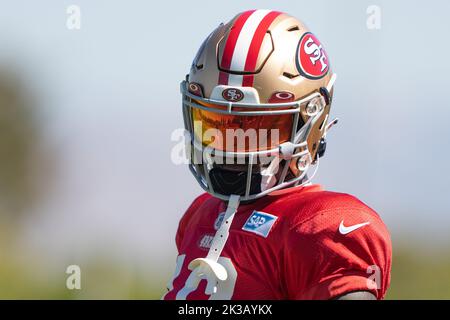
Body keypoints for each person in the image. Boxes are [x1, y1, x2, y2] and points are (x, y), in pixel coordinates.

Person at [163, 9, 391, 300]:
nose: (231, 149)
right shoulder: (201, 215)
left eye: (258, 127)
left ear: (311, 121)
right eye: (216, 123)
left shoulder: (319, 227)